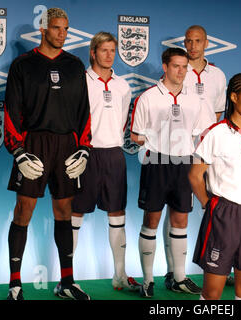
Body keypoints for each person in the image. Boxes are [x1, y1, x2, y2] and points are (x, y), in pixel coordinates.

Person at [4, 8, 91, 300]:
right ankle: (15, 284)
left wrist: (84, 149)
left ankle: (66, 282)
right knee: (23, 210)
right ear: (43, 29)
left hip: (66, 145)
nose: (62, 34)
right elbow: (11, 111)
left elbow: (84, 112)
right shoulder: (23, 64)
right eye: (56, 28)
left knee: (64, 211)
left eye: (66, 29)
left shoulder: (75, 65)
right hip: (34, 144)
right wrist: (17, 150)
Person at [130, 47, 206, 298]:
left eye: (185, 67)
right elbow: (135, 135)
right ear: (165, 67)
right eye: (176, 66)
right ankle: (148, 280)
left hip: (184, 163)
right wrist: (158, 142)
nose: (181, 71)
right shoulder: (149, 97)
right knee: (151, 221)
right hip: (157, 164)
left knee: (181, 220)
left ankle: (179, 278)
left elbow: (199, 132)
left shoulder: (194, 99)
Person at [189, 73, 241, 300]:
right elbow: (195, 176)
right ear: (234, 97)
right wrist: (211, 205)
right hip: (224, 213)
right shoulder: (216, 133)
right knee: (212, 292)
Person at [69, 31, 141, 292]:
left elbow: (122, 121)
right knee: (75, 212)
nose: (109, 55)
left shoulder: (123, 86)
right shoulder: (81, 82)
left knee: (117, 212)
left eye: (113, 50)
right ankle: (68, 278)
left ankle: (119, 275)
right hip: (86, 153)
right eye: (104, 50)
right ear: (93, 52)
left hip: (113, 154)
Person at [163, 24, 229, 290]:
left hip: (211, 152)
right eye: (188, 41)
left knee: (220, 208)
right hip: (182, 152)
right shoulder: (179, 70)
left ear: (207, 43)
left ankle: (219, 267)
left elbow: (217, 115)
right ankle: (172, 272)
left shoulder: (218, 75)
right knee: (176, 210)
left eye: (197, 41)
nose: (192, 46)